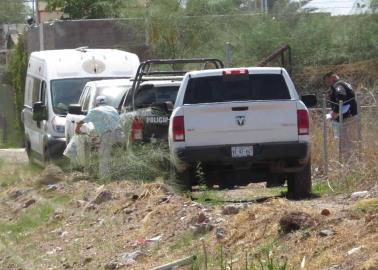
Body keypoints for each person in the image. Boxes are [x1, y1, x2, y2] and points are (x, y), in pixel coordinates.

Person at [75, 96, 122, 179]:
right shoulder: (112, 109)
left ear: (96, 104)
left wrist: (77, 127)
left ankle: (104, 178)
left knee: (103, 157)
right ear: (106, 102)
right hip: (120, 133)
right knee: (119, 154)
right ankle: (120, 174)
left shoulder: (95, 111)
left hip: (108, 134)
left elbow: (84, 120)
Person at [323, 72, 359, 162]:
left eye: (328, 81)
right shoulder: (343, 83)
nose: (328, 84)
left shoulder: (338, 85)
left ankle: (349, 163)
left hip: (347, 118)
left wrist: (335, 113)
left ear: (333, 77)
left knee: (346, 141)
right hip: (350, 116)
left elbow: (341, 96)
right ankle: (350, 162)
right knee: (349, 140)